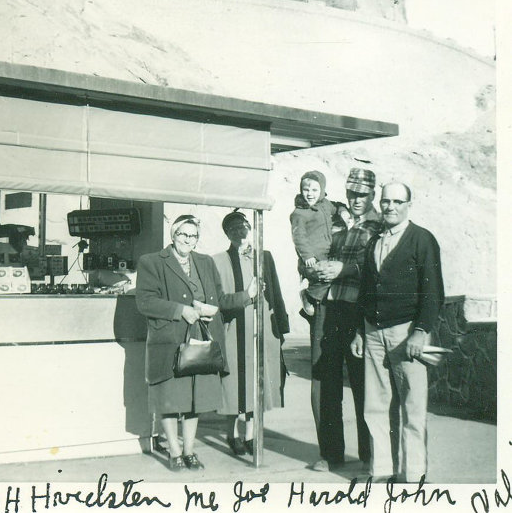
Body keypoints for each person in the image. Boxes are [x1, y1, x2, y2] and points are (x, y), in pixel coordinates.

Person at [136, 214, 257, 471]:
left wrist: (247, 296)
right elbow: (145, 301)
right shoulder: (152, 262)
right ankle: (174, 451)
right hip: (169, 341)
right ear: (173, 235)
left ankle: (190, 451)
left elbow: (220, 300)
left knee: (194, 399)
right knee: (169, 399)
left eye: (193, 236)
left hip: (201, 339)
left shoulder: (205, 262)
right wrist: (181, 310)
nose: (188, 240)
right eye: (183, 234)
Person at [350, 183, 444, 483]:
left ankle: (413, 475)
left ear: (408, 204)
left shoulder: (422, 240)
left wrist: (420, 332)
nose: (390, 206)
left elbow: (433, 292)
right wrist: (359, 332)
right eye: (386, 201)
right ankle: (381, 471)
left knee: (413, 407)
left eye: (397, 201)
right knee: (375, 407)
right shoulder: (374, 241)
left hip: (407, 334)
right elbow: (365, 290)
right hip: (373, 333)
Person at [306, 168, 381, 472]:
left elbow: (378, 271)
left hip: (359, 313)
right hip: (330, 308)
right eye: (352, 193)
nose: (356, 199)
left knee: (363, 386)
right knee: (328, 385)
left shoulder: (378, 227)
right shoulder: (337, 222)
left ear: (372, 195)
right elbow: (315, 253)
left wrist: (343, 270)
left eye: (362, 194)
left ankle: (370, 456)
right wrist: (314, 271)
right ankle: (331, 454)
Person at [213, 211, 289, 456]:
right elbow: (219, 300)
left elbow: (275, 292)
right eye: (232, 228)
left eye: (243, 226)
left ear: (250, 228)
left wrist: (281, 328)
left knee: (256, 383)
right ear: (226, 233)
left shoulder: (264, 256)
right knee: (233, 384)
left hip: (261, 328)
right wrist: (248, 295)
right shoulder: (219, 260)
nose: (239, 231)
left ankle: (250, 435)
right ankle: (232, 434)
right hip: (235, 328)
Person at [290, 170, 346, 316]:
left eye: (315, 190)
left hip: (326, 254)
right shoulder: (299, 213)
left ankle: (313, 297)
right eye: (306, 190)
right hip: (312, 257)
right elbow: (298, 236)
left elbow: (336, 207)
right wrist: (307, 255)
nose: (310, 194)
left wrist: (342, 211)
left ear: (321, 190)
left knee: (329, 278)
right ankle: (307, 295)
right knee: (323, 277)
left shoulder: (325, 204)